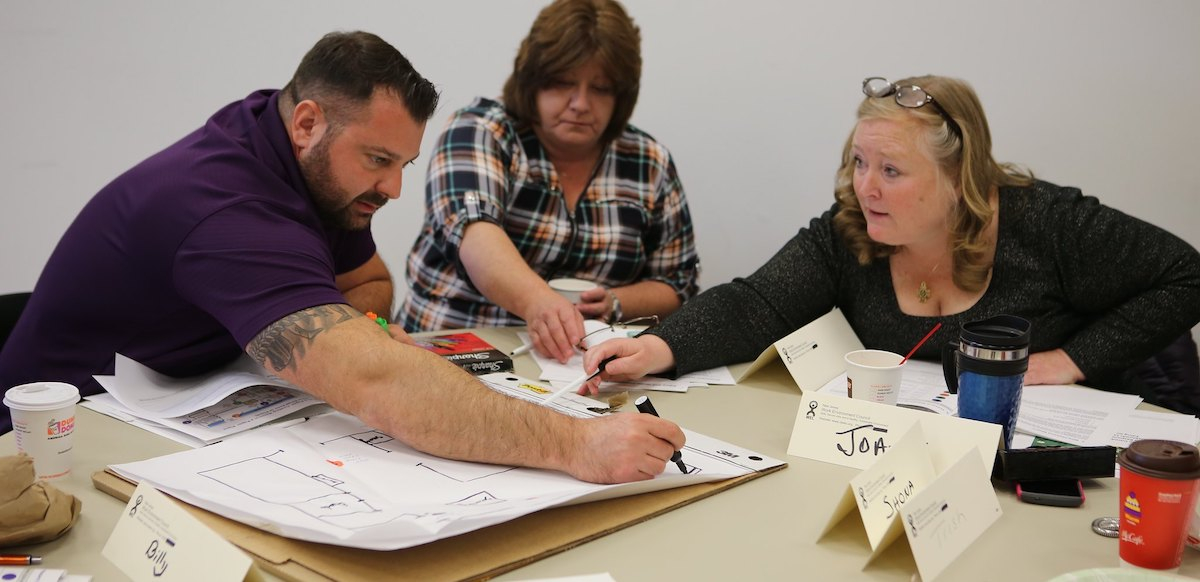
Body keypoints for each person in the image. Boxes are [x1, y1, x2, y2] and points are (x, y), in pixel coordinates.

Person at [0, 31, 684, 483]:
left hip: (180, 404)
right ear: (307, 123)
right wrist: (578, 446)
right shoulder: (223, 206)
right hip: (58, 443)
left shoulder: (309, 166)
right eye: (380, 161)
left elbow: (369, 281)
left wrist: (343, 332)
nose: (392, 189)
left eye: (403, 164)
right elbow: (379, 383)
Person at [581, 75, 1200, 414]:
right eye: (859, 162)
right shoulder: (851, 229)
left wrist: (1071, 361)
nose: (865, 188)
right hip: (917, 452)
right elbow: (757, 304)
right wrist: (660, 345)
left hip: (1065, 455)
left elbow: (1186, 275)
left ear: (960, 178)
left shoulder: (1047, 223)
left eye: (892, 171)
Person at [399, 0, 700, 364]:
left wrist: (617, 302)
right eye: (562, 84)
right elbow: (474, 232)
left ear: (622, 96)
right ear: (532, 81)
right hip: (452, 347)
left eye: (601, 89)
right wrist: (538, 301)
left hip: (576, 366)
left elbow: (676, 283)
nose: (580, 104)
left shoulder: (648, 162)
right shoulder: (482, 129)